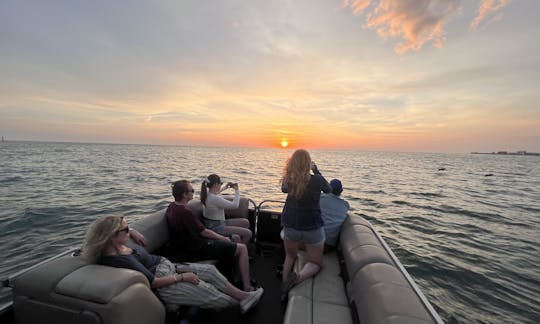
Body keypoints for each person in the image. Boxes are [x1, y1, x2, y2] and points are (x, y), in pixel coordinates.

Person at [82, 215, 264, 313]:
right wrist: (183, 277)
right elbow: (152, 282)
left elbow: (125, 232)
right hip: (163, 282)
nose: (129, 231)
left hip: (166, 265)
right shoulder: (120, 259)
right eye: (126, 230)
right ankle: (237, 303)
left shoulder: (118, 244)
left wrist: (134, 232)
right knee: (207, 290)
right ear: (113, 236)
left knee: (209, 271)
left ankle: (243, 296)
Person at [167, 180, 255, 292]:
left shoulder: (172, 207)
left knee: (235, 241)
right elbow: (205, 232)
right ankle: (247, 287)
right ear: (184, 194)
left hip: (187, 246)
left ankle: (235, 274)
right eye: (191, 190)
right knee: (241, 248)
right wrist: (224, 238)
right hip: (196, 249)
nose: (193, 192)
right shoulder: (185, 212)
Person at [279, 149, 331, 301]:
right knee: (315, 262)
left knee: (290, 256)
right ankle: (297, 279)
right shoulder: (317, 180)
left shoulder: (290, 179)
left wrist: (290, 172)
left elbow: (283, 188)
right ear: (309, 163)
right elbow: (329, 190)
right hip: (312, 227)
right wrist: (316, 171)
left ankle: (284, 287)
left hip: (291, 225)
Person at [200, 174, 252, 244]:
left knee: (246, 222)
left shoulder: (207, 195)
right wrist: (236, 190)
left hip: (216, 224)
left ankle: (236, 242)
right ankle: (239, 249)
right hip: (217, 228)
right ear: (216, 184)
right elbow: (235, 205)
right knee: (248, 233)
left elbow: (216, 193)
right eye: (220, 183)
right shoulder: (215, 199)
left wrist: (225, 187)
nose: (221, 185)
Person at [320, 179, 350, 250]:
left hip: (316, 242)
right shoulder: (346, 205)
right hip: (330, 245)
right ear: (341, 191)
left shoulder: (320, 198)